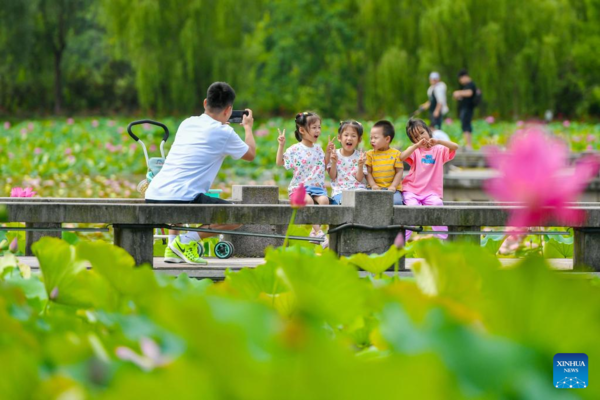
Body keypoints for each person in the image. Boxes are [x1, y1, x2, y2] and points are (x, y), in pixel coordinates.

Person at [145, 82, 256, 265]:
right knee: (238, 216)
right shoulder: (225, 132)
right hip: (180, 198)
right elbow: (250, 154)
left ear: (205, 103)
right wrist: (248, 127)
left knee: (182, 190)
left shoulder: (187, 123)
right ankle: (185, 241)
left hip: (153, 194)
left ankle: (172, 249)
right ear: (228, 110)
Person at [276, 112, 331, 248]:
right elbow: (279, 162)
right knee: (308, 200)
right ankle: (319, 234)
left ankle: (314, 231)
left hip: (316, 187)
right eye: (314, 127)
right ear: (302, 130)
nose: (318, 130)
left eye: (319, 127)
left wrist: (328, 152)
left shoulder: (318, 149)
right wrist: (281, 145)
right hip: (299, 188)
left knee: (324, 201)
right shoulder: (295, 149)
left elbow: (323, 166)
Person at [401, 118, 458, 240]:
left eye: (422, 133)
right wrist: (416, 146)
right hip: (412, 191)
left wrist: (438, 141)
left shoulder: (439, 150)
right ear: (413, 141)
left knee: (437, 205)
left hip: (431, 193)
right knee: (412, 211)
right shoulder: (415, 151)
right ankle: (402, 243)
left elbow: (455, 146)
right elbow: (402, 156)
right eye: (416, 137)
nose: (421, 137)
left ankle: (442, 241)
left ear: (428, 131)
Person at [327, 120, 368, 205]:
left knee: (364, 202)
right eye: (346, 135)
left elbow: (359, 179)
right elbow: (332, 176)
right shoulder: (334, 154)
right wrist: (334, 162)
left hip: (358, 190)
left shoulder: (360, 156)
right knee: (345, 203)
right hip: (340, 191)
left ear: (359, 139)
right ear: (339, 138)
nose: (349, 138)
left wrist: (360, 166)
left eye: (353, 136)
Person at [365, 120, 404, 205]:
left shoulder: (396, 154)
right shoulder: (370, 154)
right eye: (371, 138)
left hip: (392, 189)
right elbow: (368, 172)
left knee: (397, 203)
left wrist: (393, 186)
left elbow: (399, 172)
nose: (372, 140)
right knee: (367, 203)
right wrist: (373, 185)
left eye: (375, 138)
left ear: (387, 139)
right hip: (373, 188)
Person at [452, 69, 477, 150]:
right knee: (465, 125)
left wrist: (458, 93)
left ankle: (469, 145)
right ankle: (468, 144)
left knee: (466, 126)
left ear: (464, 77)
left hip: (468, 108)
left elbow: (470, 93)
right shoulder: (466, 86)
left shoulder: (471, 84)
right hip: (465, 108)